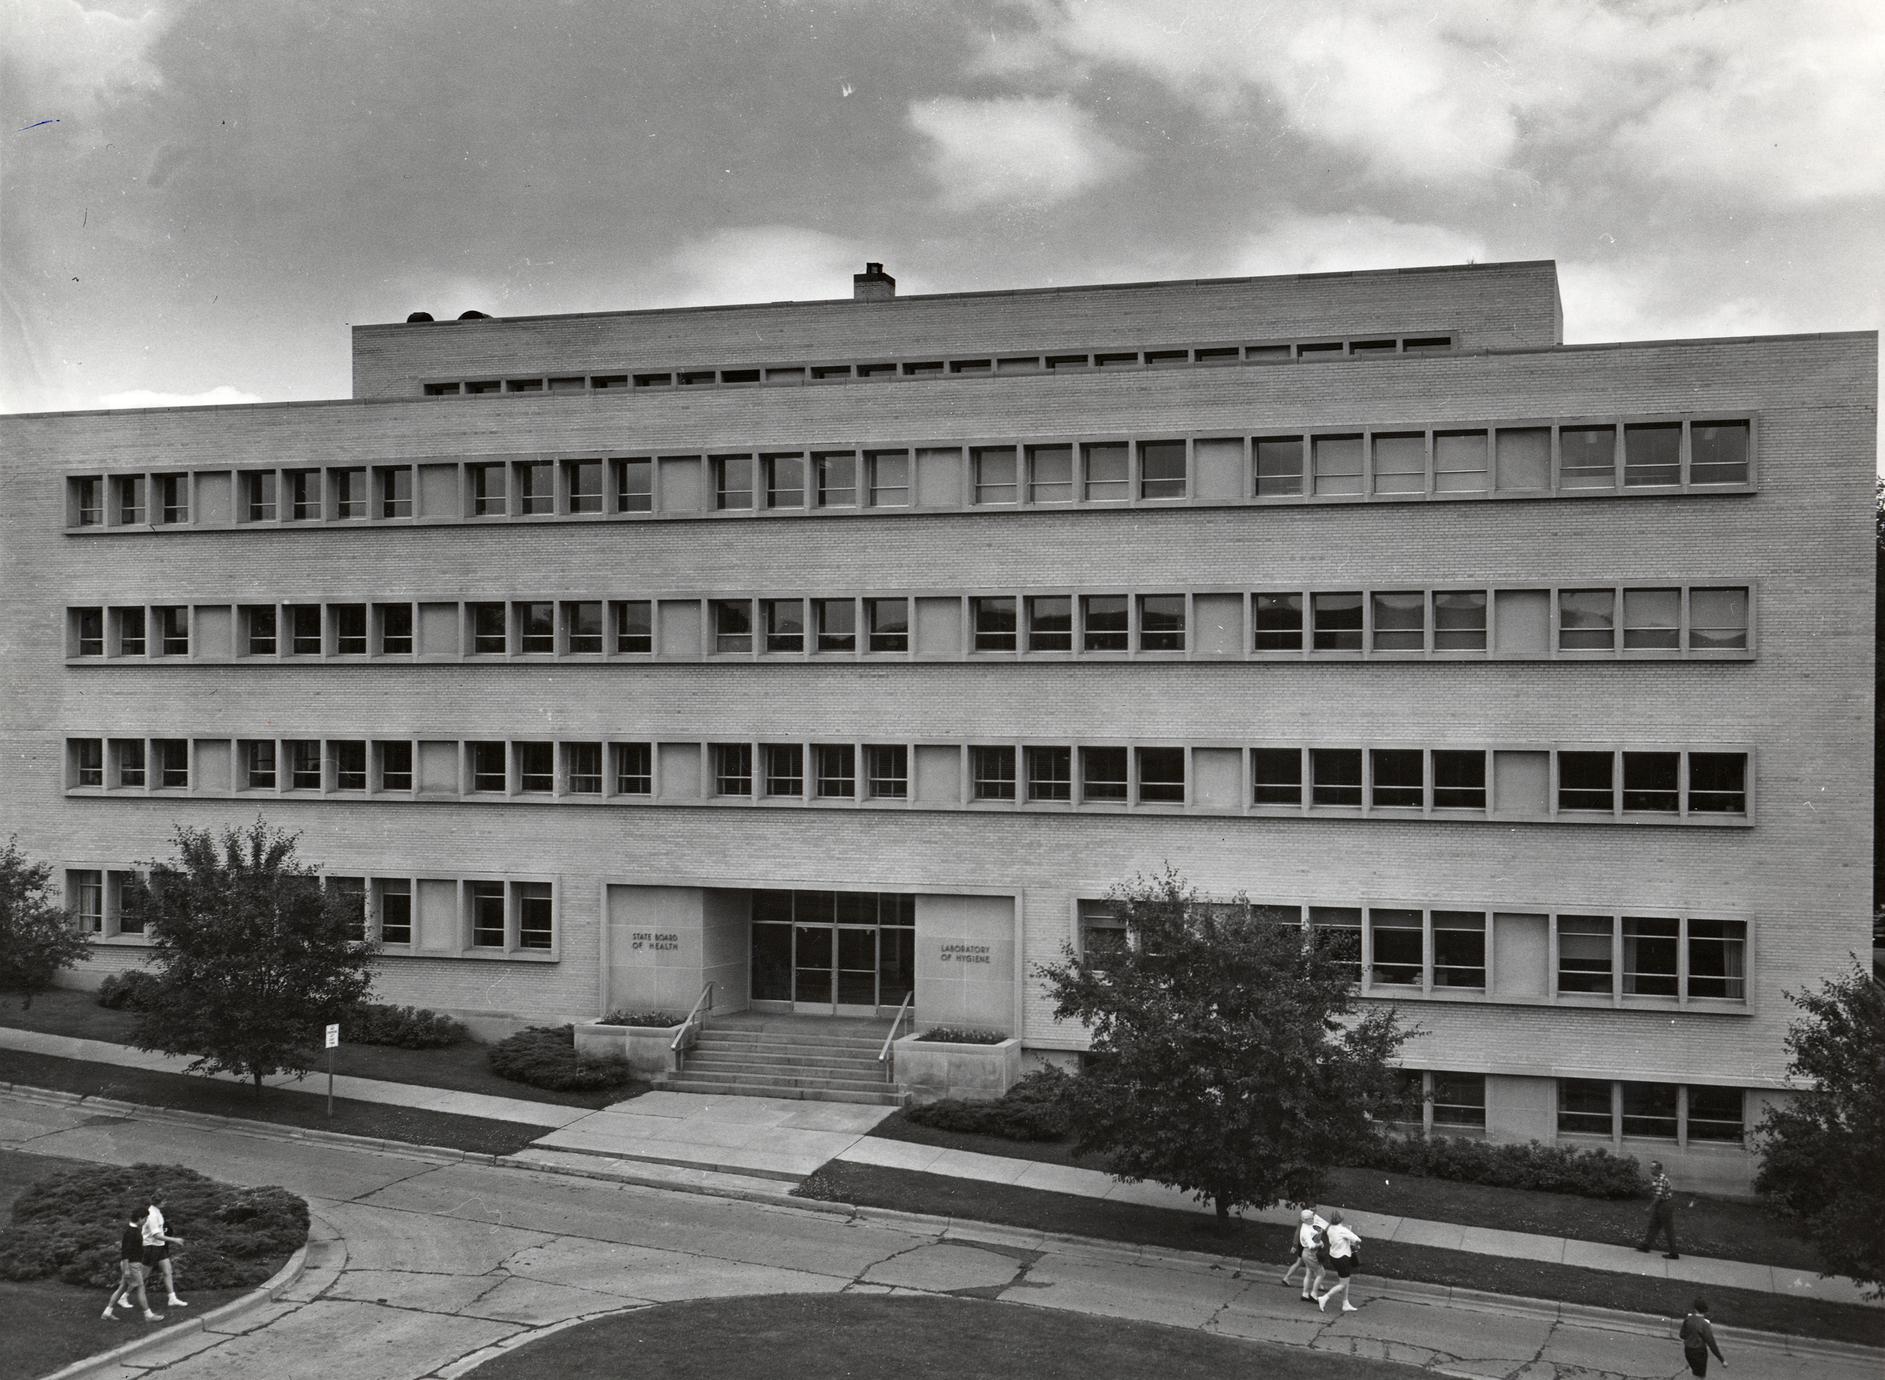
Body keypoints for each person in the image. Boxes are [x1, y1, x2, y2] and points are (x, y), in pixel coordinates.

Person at [103, 1215, 163, 1322]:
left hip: (133, 1264)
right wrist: (126, 1269)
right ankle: (148, 1315)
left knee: (122, 1288)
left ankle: (107, 1313)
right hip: (131, 1265)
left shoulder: (134, 1230)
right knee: (141, 1287)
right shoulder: (131, 1232)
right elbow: (125, 1252)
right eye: (144, 1219)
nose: (144, 1221)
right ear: (139, 1218)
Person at [140, 1195, 187, 1308]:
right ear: (159, 1202)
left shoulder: (157, 1212)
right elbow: (156, 1235)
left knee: (167, 1271)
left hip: (159, 1247)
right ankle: (123, 1296)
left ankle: (172, 1298)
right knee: (142, 1276)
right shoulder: (152, 1215)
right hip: (150, 1247)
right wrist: (175, 1240)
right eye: (164, 1200)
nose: (166, 1203)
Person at [1313, 1210, 1363, 1313]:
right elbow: (1358, 1240)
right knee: (1343, 1283)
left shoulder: (1330, 1228)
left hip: (1334, 1257)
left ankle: (1345, 1303)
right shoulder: (1342, 1230)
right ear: (1341, 1219)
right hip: (1343, 1258)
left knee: (1345, 1281)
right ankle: (1324, 1298)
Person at [1281, 1208, 1327, 1300]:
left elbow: (1325, 1224)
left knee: (1309, 1273)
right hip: (1310, 1253)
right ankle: (1313, 1294)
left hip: (1306, 1253)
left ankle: (1305, 1294)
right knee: (1321, 1273)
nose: (1312, 1219)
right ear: (1304, 1220)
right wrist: (1321, 1243)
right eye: (1310, 1218)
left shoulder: (1307, 1225)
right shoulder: (1306, 1230)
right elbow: (1311, 1245)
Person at [1637, 1161, 1680, 1259]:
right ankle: (1646, 1246)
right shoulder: (1658, 1178)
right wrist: (1644, 1187)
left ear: (1658, 1169)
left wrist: (1649, 1207)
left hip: (1665, 1205)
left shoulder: (1661, 1180)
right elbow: (1653, 1186)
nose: (1651, 1170)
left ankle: (1674, 1253)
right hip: (1662, 1205)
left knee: (1668, 1229)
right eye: (1651, 1168)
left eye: (1653, 1168)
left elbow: (1658, 1196)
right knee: (1653, 1225)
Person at [1679, 1297, 1727, 1375]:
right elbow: (1711, 1343)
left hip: (1688, 1350)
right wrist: (1722, 1360)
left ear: (1695, 1308)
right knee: (1699, 1376)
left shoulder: (1688, 1319)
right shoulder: (1704, 1324)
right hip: (1699, 1352)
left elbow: (1682, 1335)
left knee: (1695, 1372)